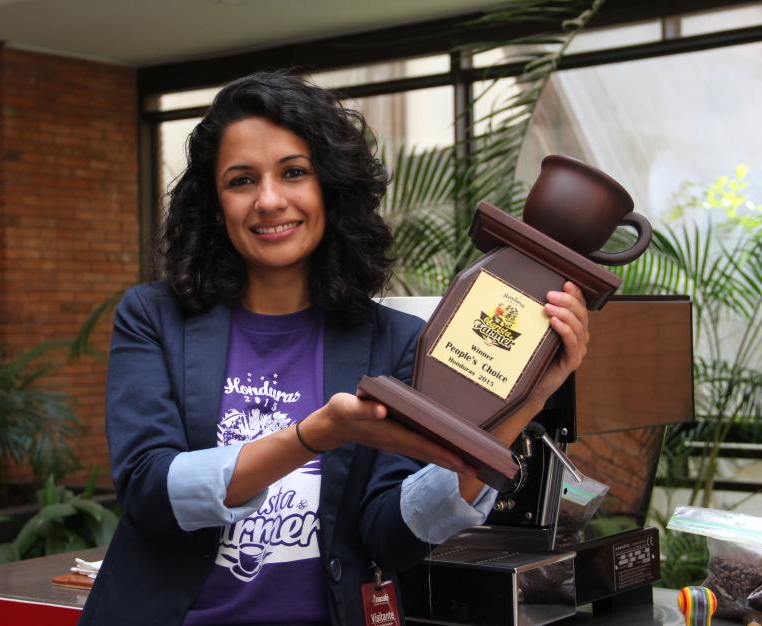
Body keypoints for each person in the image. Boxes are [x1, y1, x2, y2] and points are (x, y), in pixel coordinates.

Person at [78, 71, 590, 626]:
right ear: (214, 201)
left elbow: (390, 537)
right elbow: (149, 494)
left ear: (331, 186)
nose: (270, 201)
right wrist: (313, 437)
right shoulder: (154, 318)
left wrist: (523, 405)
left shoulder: (392, 340)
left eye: (294, 173)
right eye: (241, 180)